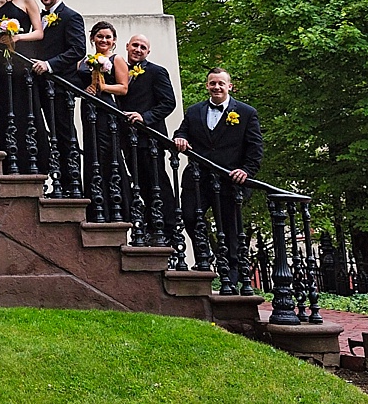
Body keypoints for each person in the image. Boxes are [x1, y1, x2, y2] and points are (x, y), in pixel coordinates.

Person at [175, 69, 262, 281]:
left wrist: (247, 170)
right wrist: (181, 138)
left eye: (221, 84)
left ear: (229, 86)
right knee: (189, 216)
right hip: (197, 178)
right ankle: (203, 257)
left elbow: (255, 147)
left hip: (229, 180)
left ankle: (232, 273)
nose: (216, 87)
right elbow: (182, 131)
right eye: (212, 83)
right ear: (207, 86)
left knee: (230, 227)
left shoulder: (246, 112)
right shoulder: (195, 111)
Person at [27, 0, 88, 190]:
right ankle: (55, 181)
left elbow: (78, 50)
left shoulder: (71, 17)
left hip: (61, 86)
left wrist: (50, 65)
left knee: (64, 135)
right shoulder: (37, 17)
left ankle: (72, 183)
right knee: (45, 134)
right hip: (40, 86)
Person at [122, 34, 180, 241]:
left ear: (148, 52)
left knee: (157, 183)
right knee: (139, 185)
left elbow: (168, 102)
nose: (138, 49)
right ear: (127, 46)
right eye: (135, 45)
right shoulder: (118, 70)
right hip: (126, 140)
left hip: (150, 140)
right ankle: (148, 225)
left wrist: (144, 118)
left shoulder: (156, 72)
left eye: (143, 47)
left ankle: (168, 227)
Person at [0, 0, 45, 172]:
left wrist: (17, 37)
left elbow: (39, 32)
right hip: (4, 60)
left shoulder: (27, 0)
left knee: (24, 107)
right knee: (5, 105)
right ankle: (7, 155)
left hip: (23, 57)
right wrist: (1, 38)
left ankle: (31, 159)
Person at [78, 22, 132, 221]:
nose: (104, 40)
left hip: (106, 108)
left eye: (108, 37)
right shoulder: (83, 61)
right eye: (100, 36)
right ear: (92, 38)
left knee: (108, 153)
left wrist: (103, 87)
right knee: (92, 152)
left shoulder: (116, 59)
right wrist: (86, 90)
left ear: (114, 41)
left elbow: (123, 88)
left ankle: (117, 207)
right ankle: (95, 204)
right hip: (88, 108)